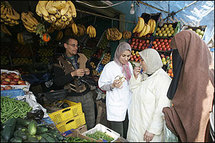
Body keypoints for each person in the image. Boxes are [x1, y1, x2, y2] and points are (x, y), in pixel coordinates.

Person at [162, 30, 214, 142]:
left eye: (177, 52)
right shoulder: (204, 68)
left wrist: (168, 114)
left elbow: (190, 112)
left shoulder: (194, 76)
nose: (174, 56)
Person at [127, 48, 172, 142]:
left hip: (148, 131)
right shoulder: (147, 75)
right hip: (138, 125)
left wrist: (152, 130)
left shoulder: (163, 80)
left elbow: (162, 107)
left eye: (142, 60)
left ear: (150, 60)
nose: (140, 63)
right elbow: (134, 91)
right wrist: (136, 77)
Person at [53, 36, 95, 129]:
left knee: (91, 122)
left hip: (87, 95)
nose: (76, 48)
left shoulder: (82, 57)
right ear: (65, 45)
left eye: (77, 45)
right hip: (71, 97)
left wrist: (89, 71)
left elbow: (91, 71)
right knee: (75, 125)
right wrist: (72, 74)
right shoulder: (59, 61)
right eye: (73, 45)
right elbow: (57, 82)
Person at [98, 42, 133, 138]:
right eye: (123, 56)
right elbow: (101, 85)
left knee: (126, 133)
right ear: (118, 54)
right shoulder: (110, 67)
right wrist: (112, 85)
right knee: (118, 135)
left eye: (128, 56)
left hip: (127, 104)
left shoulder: (129, 65)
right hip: (116, 106)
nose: (126, 59)